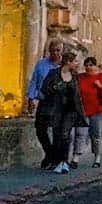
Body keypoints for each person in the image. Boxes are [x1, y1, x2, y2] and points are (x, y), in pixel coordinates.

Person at [38, 50, 86, 174]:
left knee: (65, 134)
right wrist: (55, 88)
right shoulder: (53, 74)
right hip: (57, 109)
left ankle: (64, 162)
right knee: (57, 135)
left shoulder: (74, 76)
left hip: (71, 110)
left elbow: (77, 95)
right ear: (68, 62)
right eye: (75, 61)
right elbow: (44, 89)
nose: (77, 63)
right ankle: (57, 160)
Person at [26, 37, 65, 169]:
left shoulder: (65, 66)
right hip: (44, 101)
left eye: (58, 50)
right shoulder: (41, 64)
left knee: (56, 132)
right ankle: (50, 154)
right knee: (40, 129)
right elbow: (34, 81)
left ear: (62, 51)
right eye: (53, 50)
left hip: (59, 103)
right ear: (49, 51)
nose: (55, 53)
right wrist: (30, 99)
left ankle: (53, 159)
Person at [76, 56, 102, 168]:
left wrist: (101, 85)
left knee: (96, 134)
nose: (88, 67)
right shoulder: (80, 77)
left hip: (97, 110)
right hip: (83, 110)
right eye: (87, 65)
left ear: (95, 66)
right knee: (80, 133)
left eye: (91, 65)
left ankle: (97, 157)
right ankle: (76, 157)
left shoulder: (101, 77)